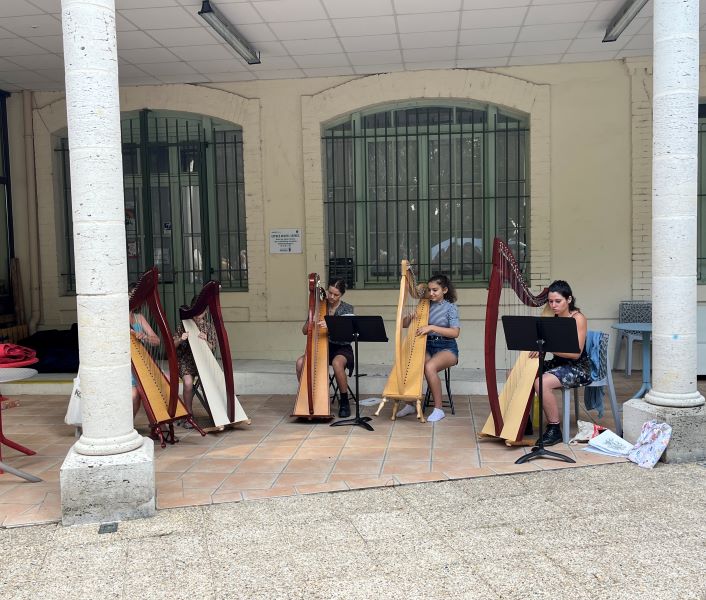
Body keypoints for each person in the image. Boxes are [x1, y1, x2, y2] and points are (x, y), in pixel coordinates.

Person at [532, 280, 591, 446]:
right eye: (550, 301)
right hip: (559, 364)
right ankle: (524, 420)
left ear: (569, 300)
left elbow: (575, 353)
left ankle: (554, 428)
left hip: (578, 367)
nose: (553, 305)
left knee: (541, 382)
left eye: (558, 301)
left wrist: (547, 348)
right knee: (521, 373)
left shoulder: (578, 318)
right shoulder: (552, 317)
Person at [397, 274, 460, 422]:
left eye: (435, 290)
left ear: (444, 290)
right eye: (430, 290)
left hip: (447, 347)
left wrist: (432, 327)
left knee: (429, 367)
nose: (431, 293)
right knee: (412, 362)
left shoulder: (450, 308)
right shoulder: (423, 304)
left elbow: (455, 332)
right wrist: (409, 317)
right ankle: (409, 404)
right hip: (427, 345)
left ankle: (438, 409)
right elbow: (404, 325)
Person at [296, 279, 354, 418]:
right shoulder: (318, 306)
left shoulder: (347, 309)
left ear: (341, 295)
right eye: (330, 293)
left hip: (341, 347)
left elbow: (347, 336)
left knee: (337, 363)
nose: (331, 297)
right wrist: (312, 320)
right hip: (321, 346)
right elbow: (304, 331)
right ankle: (308, 397)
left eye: (336, 295)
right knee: (300, 363)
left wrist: (331, 327)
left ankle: (344, 401)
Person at [173, 307, 217, 428]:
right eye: (196, 312)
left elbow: (213, 347)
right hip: (186, 361)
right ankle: (188, 415)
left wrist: (205, 341)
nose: (199, 314)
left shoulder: (209, 327)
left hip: (203, 362)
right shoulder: (183, 325)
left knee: (211, 382)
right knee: (187, 383)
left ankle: (217, 413)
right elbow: (172, 344)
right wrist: (181, 339)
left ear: (206, 312)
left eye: (201, 311)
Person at [130, 308, 159, 417]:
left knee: (153, 393)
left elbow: (157, 341)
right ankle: (127, 427)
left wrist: (145, 337)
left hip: (141, 364)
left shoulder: (139, 318)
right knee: (134, 396)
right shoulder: (117, 319)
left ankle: (158, 421)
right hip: (126, 366)